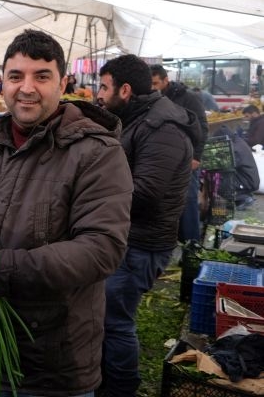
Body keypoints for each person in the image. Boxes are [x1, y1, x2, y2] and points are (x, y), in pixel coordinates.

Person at [0, 29, 133, 396]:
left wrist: (3, 269)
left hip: (52, 363)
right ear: (2, 83)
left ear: (63, 83)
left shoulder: (96, 153)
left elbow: (102, 248)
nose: (27, 88)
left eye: (42, 76)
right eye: (15, 76)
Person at [97, 54, 194, 397]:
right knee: (107, 318)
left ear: (124, 90)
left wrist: (92, 199)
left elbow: (145, 194)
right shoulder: (139, 118)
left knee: (116, 322)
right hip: (128, 239)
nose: (99, 94)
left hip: (141, 244)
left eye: (104, 88)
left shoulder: (161, 129)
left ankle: (121, 389)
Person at [149, 64, 207, 245]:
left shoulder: (188, 98)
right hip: (162, 159)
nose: (152, 87)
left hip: (187, 158)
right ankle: (170, 241)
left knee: (188, 199)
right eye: (149, 83)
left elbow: (203, 127)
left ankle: (192, 245)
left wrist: (196, 156)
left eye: (155, 83)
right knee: (164, 201)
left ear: (166, 80)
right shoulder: (150, 98)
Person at [212, 126, 259, 210]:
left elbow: (224, 165)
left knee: (218, 179)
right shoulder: (237, 141)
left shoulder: (235, 149)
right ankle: (242, 196)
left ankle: (241, 197)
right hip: (247, 179)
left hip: (247, 181)